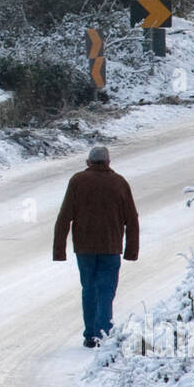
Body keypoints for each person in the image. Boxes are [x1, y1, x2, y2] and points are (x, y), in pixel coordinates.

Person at [52, 145, 139, 348]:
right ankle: (103, 333)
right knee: (107, 290)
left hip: (84, 248)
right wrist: (131, 251)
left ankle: (90, 334)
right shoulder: (119, 183)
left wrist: (59, 250)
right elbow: (132, 219)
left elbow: (64, 216)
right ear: (108, 162)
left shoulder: (77, 182)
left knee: (89, 289)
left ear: (88, 162)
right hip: (111, 247)